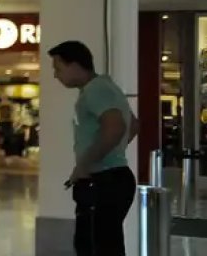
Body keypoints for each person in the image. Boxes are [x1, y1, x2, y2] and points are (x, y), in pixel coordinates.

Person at [50, 40, 141, 256]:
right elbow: (133, 124)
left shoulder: (95, 90)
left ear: (74, 65)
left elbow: (116, 127)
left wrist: (85, 164)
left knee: (94, 247)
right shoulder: (105, 87)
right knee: (105, 244)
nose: (55, 75)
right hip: (113, 178)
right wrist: (112, 152)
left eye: (58, 68)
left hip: (103, 182)